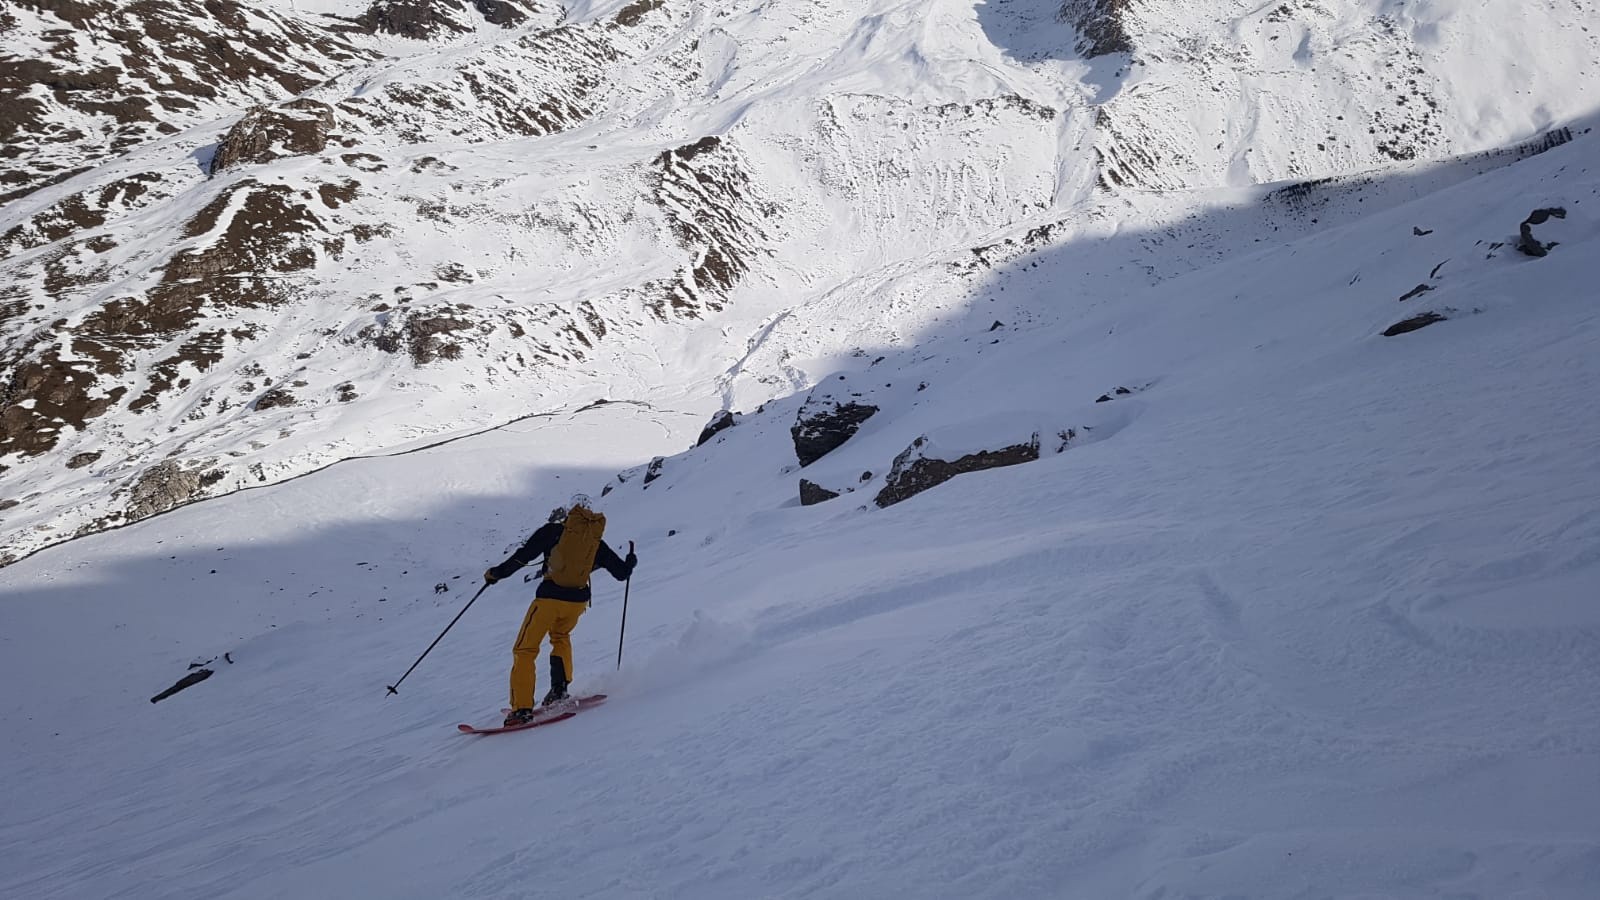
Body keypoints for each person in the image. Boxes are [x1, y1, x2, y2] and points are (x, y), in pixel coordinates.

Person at [484, 494, 636, 726]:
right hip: (577, 603)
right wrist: (631, 561)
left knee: (525, 649)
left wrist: (496, 574)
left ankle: (521, 709)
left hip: (549, 600)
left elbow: (523, 557)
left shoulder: (553, 532)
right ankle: (559, 690)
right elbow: (622, 573)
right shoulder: (594, 540)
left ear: (569, 513)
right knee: (560, 637)